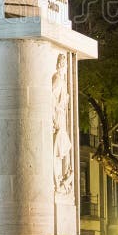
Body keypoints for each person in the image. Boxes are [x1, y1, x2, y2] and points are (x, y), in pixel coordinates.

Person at [52, 53, 73, 192]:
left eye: (65, 64)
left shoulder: (63, 80)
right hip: (58, 117)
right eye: (62, 64)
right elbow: (52, 95)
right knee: (60, 149)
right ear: (59, 65)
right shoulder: (58, 79)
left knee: (63, 149)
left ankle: (64, 178)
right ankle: (60, 179)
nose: (64, 67)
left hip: (62, 116)